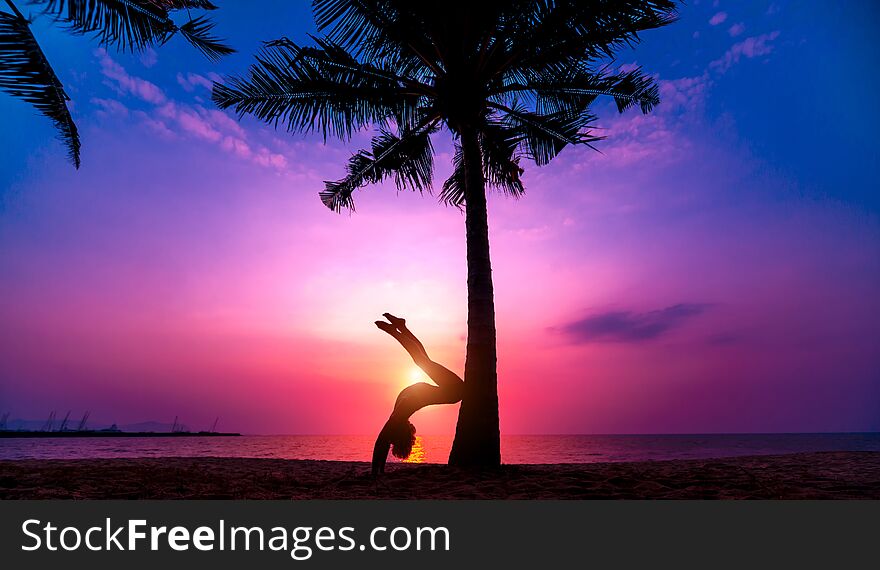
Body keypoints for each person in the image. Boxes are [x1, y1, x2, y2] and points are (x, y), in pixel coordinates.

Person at [371, 313, 463, 475]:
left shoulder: (400, 414)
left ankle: (397, 330)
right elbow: (382, 442)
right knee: (423, 360)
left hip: (454, 390)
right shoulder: (400, 413)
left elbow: (382, 442)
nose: (390, 439)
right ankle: (400, 328)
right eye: (395, 441)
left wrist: (376, 472)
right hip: (453, 389)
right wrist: (377, 471)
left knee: (422, 360)